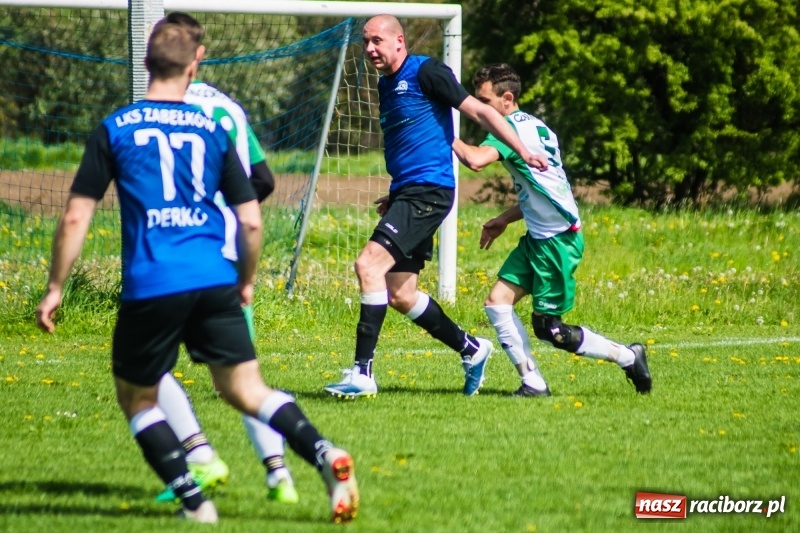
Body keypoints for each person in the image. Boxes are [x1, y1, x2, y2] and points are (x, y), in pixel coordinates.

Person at [34, 19, 359, 524]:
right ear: (196, 62)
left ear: (145, 63)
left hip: (153, 282)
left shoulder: (116, 128)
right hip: (214, 277)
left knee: (137, 396)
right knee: (248, 390)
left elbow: (77, 214)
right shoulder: (212, 127)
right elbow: (251, 219)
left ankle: (197, 503)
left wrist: (55, 286)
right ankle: (323, 452)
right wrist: (245, 280)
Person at [323, 15, 550, 399]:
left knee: (368, 265)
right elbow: (415, 140)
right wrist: (396, 196)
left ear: (399, 40)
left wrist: (523, 150)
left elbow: (480, 112)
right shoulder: (387, 83)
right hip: (410, 191)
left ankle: (362, 373)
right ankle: (471, 348)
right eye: (365, 42)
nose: (370, 49)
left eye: (377, 40)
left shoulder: (427, 71)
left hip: (428, 192)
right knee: (400, 292)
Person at [151, 11, 298, 506]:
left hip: (179, 251)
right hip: (232, 253)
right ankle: (280, 475)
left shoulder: (162, 110)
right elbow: (263, 181)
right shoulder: (227, 107)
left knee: (148, 365)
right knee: (243, 377)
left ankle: (199, 456)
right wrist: (230, 208)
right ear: (198, 55)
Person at [451, 63, 651, 396]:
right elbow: (543, 188)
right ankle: (532, 382)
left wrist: (439, 133)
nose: (478, 110)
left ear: (507, 99)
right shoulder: (535, 125)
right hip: (539, 238)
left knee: (551, 330)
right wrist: (504, 218)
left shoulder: (510, 129)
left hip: (557, 243)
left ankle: (629, 356)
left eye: (484, 102)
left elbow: (475, 160)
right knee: (497, 303)